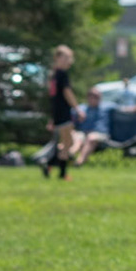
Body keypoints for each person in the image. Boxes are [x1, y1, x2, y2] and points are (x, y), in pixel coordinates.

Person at [41, 45, 78, 180]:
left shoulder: (54, 75)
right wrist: (77, 108)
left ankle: (52, 166)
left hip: (58, 112)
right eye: (66, 57)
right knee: (68, 142)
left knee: (65, 142)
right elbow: (67, 92)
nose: (69, 60)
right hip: (63, 112)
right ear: (57, 58)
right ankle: (54, 167)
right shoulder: (61, 74)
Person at [70, 86, 113, 165]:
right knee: (77, 137)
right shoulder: (81, 109)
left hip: (100, 135)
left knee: (91, 137)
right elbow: (68, 120)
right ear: (88, 97)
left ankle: (79, 162)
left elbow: (126, 109)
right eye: (93, 96)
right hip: (83, 133)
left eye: (98, 96)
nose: (96, 98)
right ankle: (70, 154)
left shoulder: (107, 106)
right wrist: (77, 117)